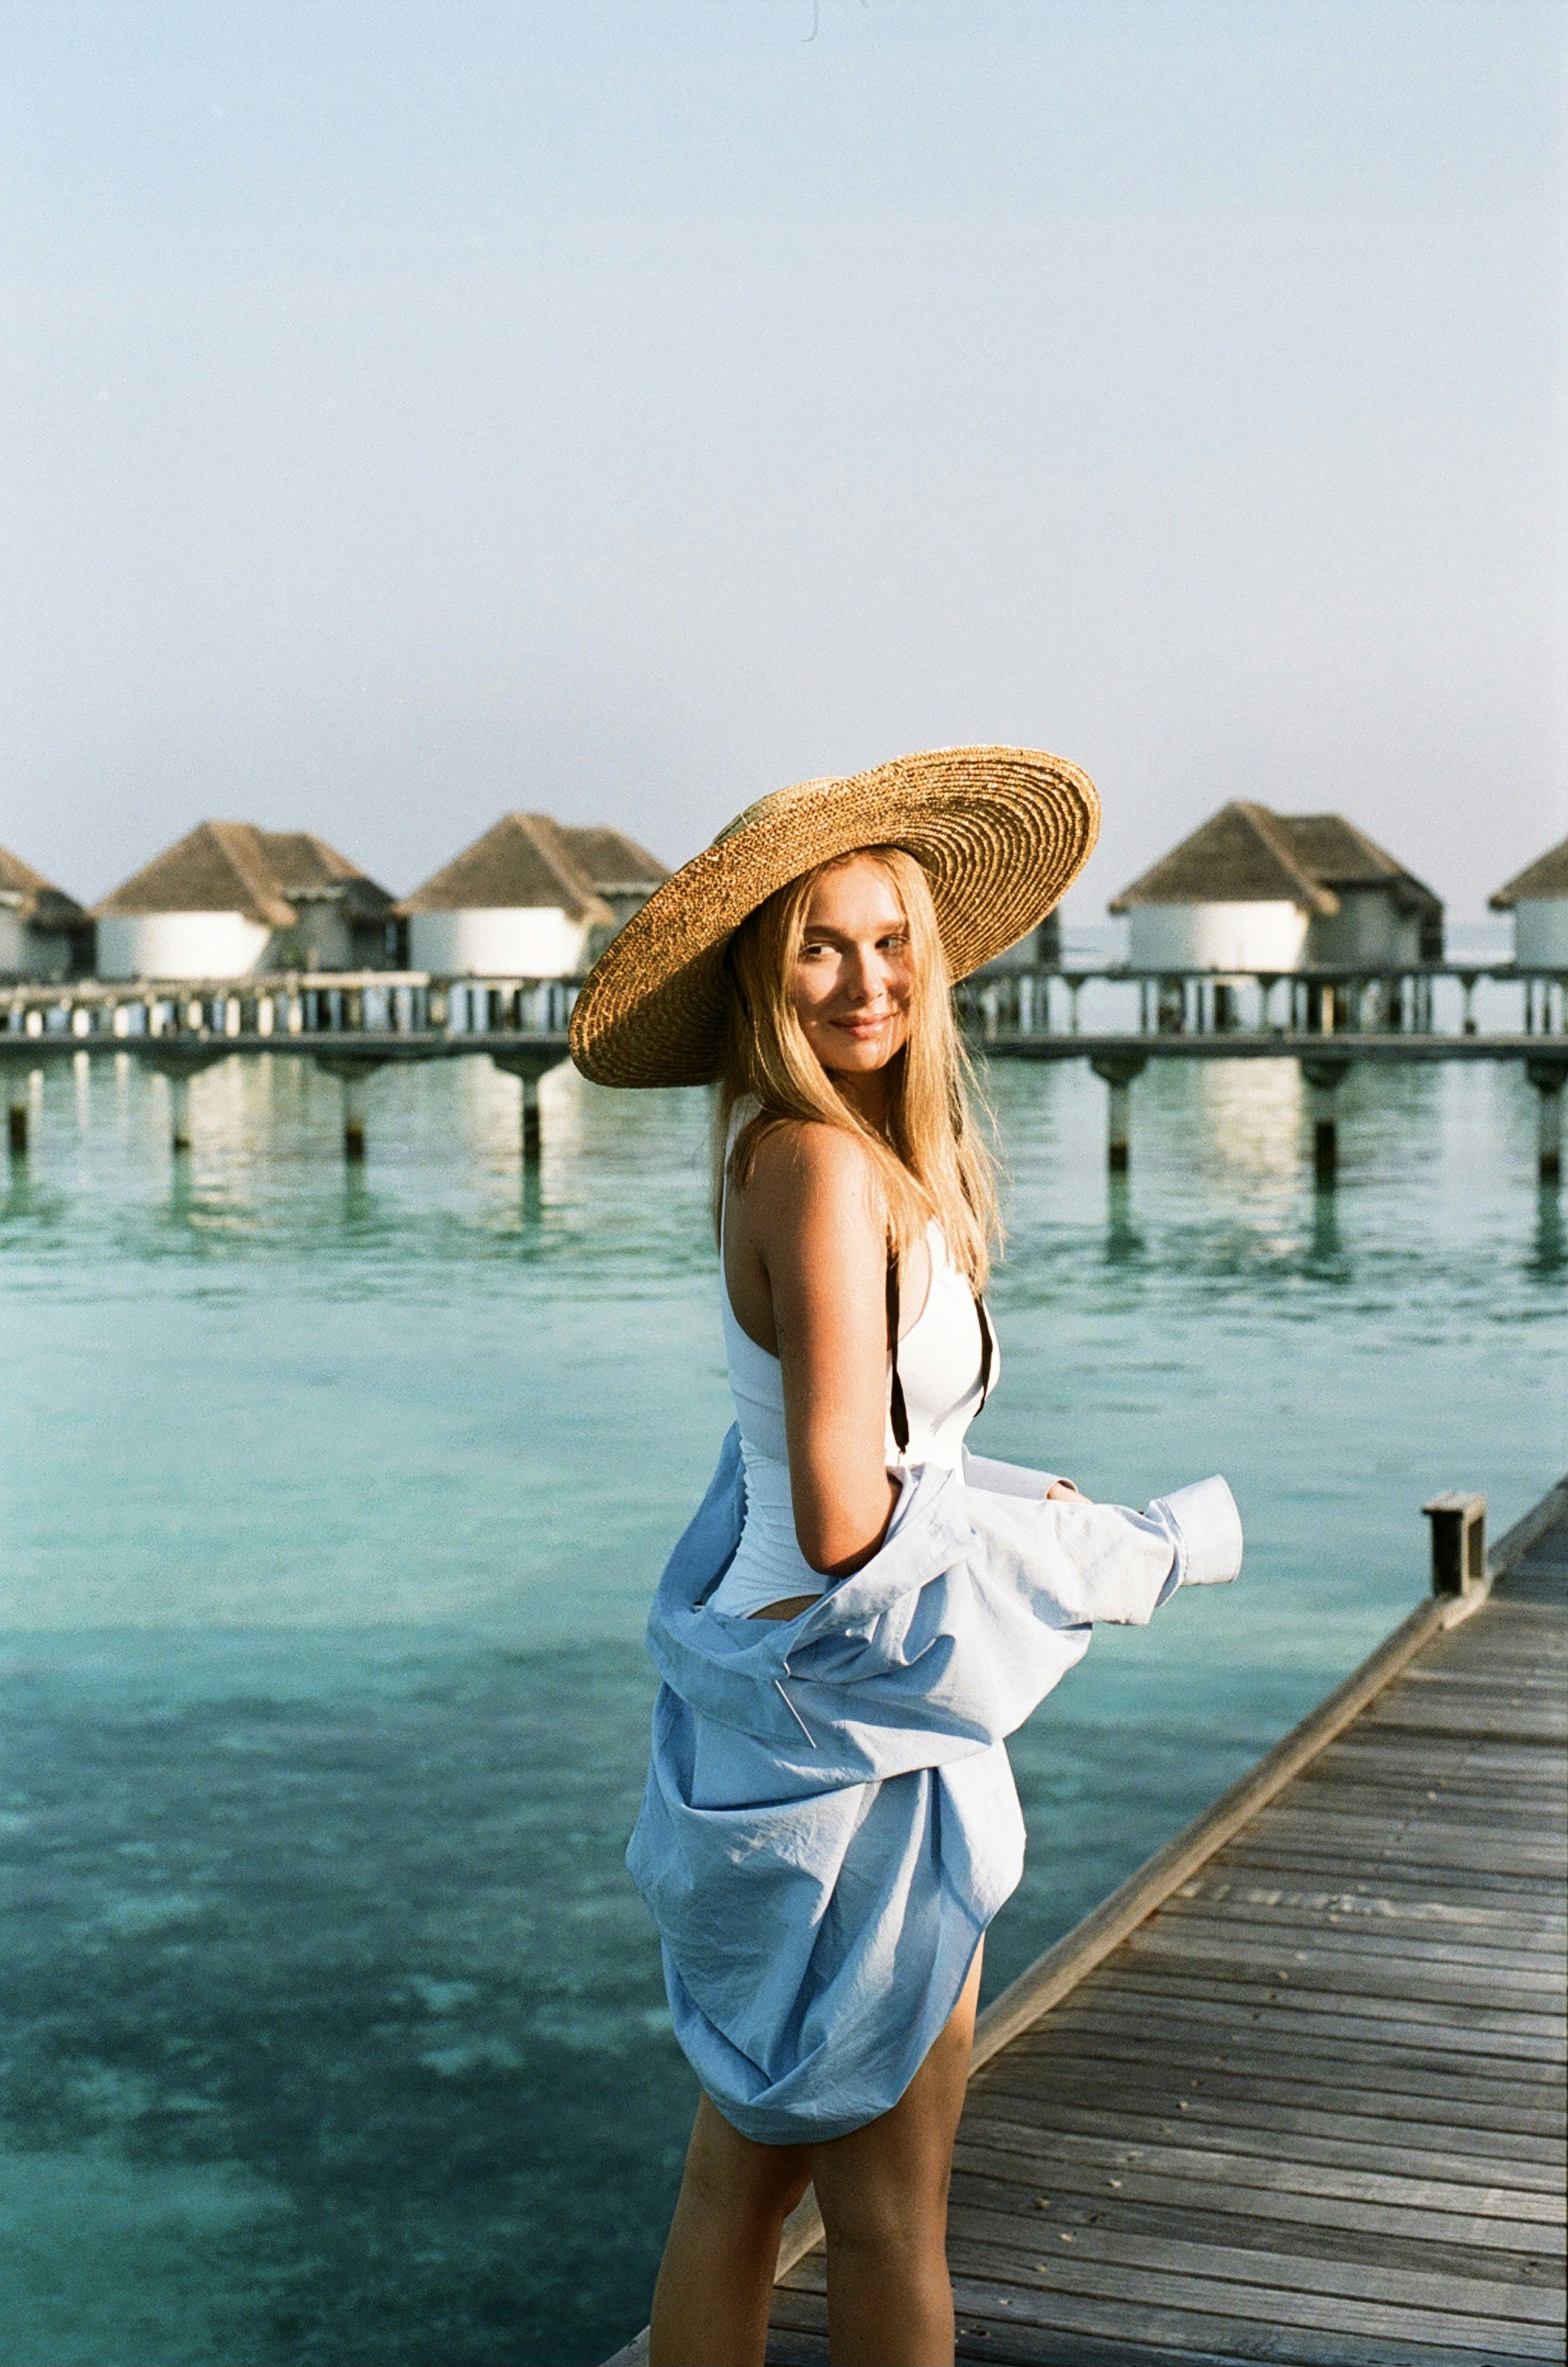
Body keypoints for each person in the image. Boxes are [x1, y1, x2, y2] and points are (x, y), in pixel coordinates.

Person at [569, 747, 1242, 2367]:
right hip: (836, 1723)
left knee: (747, 2174)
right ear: (761, 974)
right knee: (878, 2211)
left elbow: (880, 1461)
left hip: (821, 1696)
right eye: (821, 945)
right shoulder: (811, 1167)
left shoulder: (851, 1163)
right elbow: (837, 1514)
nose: (865, 980)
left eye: (890, 943)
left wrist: (1002, 1487)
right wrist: (1072, 1549)